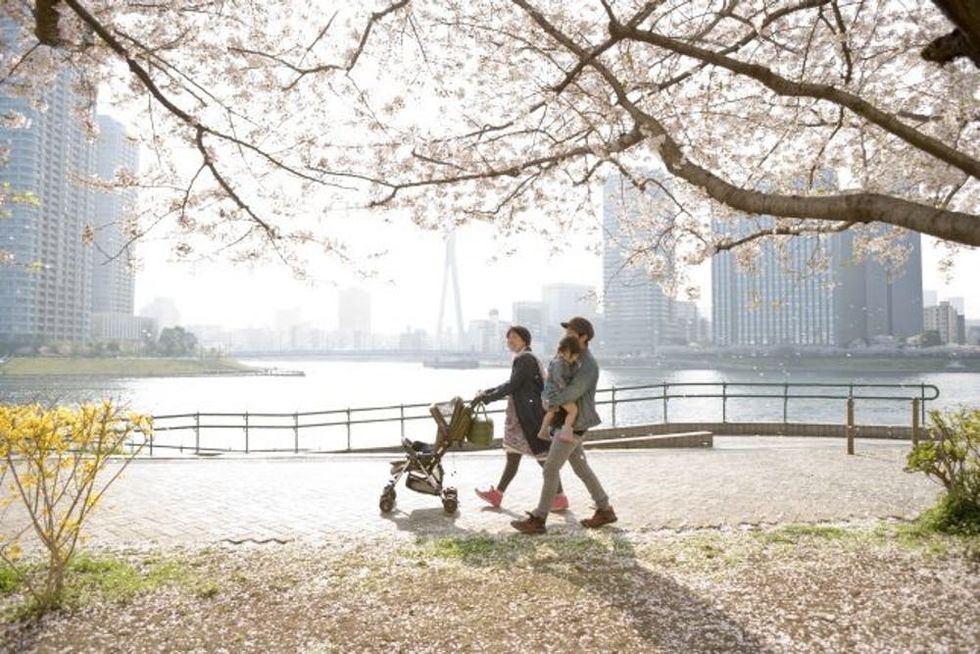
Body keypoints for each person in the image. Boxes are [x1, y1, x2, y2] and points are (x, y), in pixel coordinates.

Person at [511, 316, 617, 534]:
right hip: (566, 420)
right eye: (566, 332)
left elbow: (572, 392)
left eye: (571, 332)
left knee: (550, 469)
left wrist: (549, 400)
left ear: (584, 337)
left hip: (575, 423)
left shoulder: (587, 364)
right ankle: (605, 509)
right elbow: (552, 380)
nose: (566, 336)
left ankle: (539, 519)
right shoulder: (568, 356)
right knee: (581, 468)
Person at [474, 325, 569, 512]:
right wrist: (489, 392)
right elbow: (513, 384)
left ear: (524, 340)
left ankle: (559, 497)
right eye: (508, 338)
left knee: (543, 458)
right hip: (522, 416)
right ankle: (497, 495)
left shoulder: (525, 359)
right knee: (513, 455)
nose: (510, 341)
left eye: (514, 338)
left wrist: (488, 398)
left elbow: (513, 385)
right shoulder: (523, 359)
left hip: (530, 417)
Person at [538, 334, 582, 443]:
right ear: (567, 352)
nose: (575, 358)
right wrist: (567, 390)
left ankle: (543, 431)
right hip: (557, 393)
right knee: (573, 410)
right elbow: (559, 380)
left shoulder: (557, 360)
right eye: (575, 356)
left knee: (551, 412)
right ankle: (566, 432)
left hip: (550, 394)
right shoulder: (560, 363)